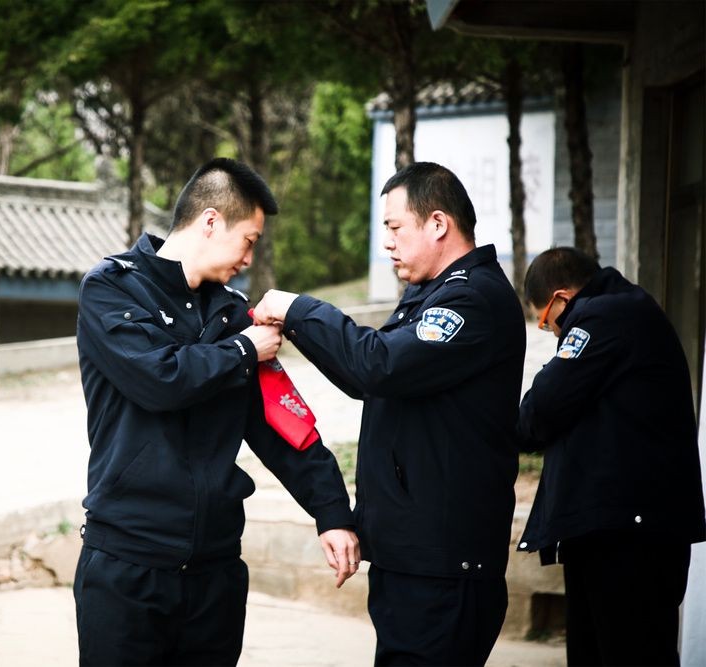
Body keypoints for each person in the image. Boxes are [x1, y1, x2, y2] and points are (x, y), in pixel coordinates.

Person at [73, 157, 360, 666]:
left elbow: (282, 422)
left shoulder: (231, 314)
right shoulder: (111, 289)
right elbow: (158, 379)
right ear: (210, 221)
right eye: (248, 240)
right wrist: (244, 350)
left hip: (215, 572)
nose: (249, 258)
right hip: (127, 564)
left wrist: (332, 513)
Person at [253, 161, 525, 666]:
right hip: (413, 558)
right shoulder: (431, 294)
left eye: (396, 227)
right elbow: (367, 379)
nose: (388, 243)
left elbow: (378, 365)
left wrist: (298, 310)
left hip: (443, 568)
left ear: (438, 223)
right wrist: (298, 330)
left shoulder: (472, 299)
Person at [516, 247, 706, 666]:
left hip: (627, 537)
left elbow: (542, 408)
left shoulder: (603, 316)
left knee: (628, 652)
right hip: (624, 528)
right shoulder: (625, 311)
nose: (554, 333)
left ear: (562, 298)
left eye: (546, 322)